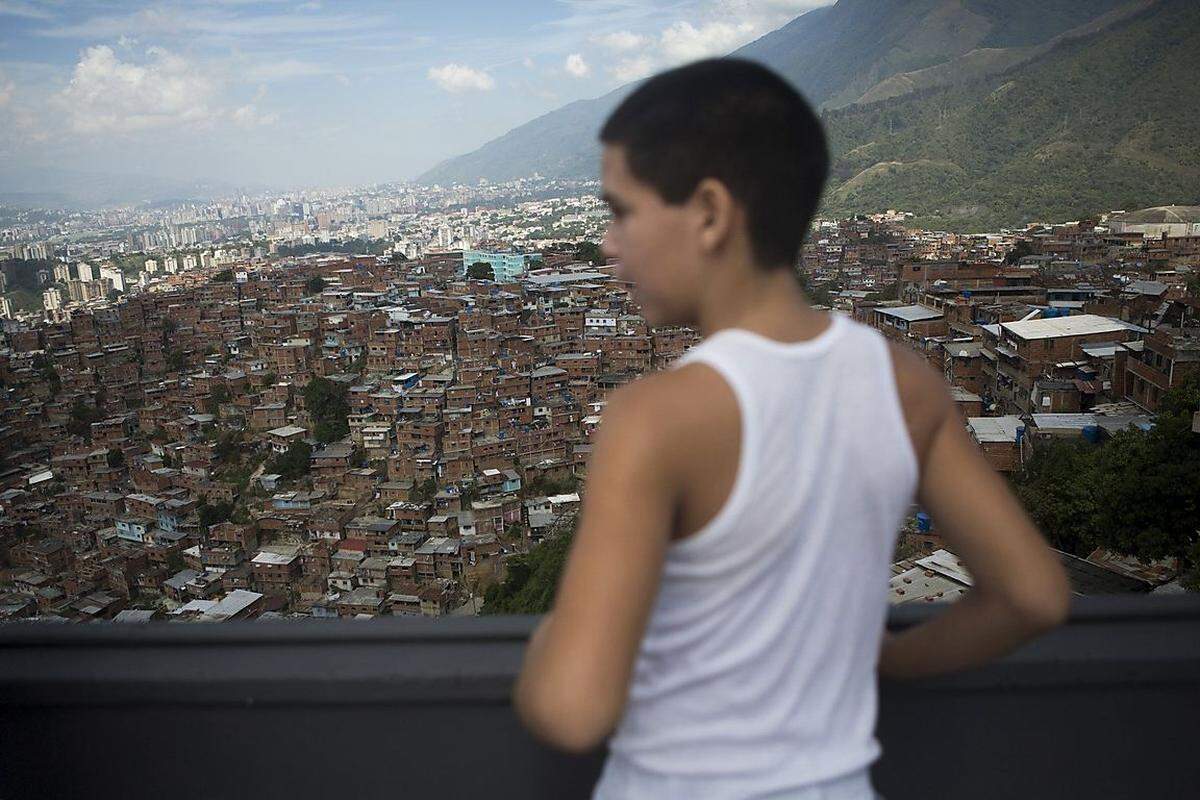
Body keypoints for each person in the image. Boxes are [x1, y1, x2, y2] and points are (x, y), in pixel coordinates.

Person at [512, 58, 1071, 799]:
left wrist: (552, 636)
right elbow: (1033, 596)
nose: (609, 245)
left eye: (621, 211)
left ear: (709, 213)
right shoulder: (905, 381)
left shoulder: (656, 417)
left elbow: (573, 709)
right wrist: (890, 659)